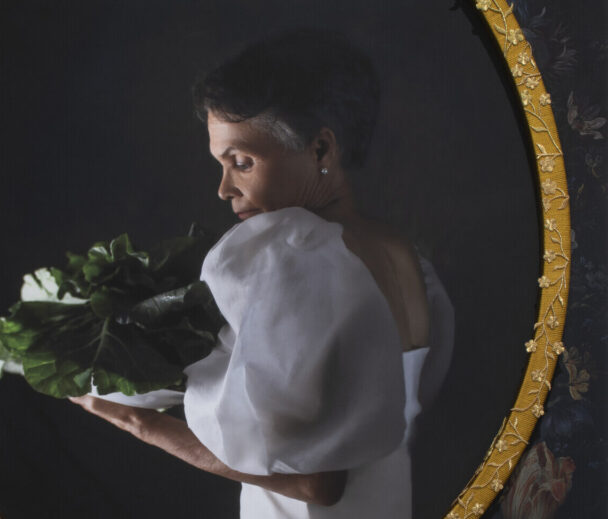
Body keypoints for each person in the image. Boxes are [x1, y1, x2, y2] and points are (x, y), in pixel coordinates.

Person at [69, 27, 454, 518]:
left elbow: (319, 483)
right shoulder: (408, 259)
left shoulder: (302, 255)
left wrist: (138, 422)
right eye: (221, 163)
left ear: (320, 150)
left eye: (243, 162)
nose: (225, 188)